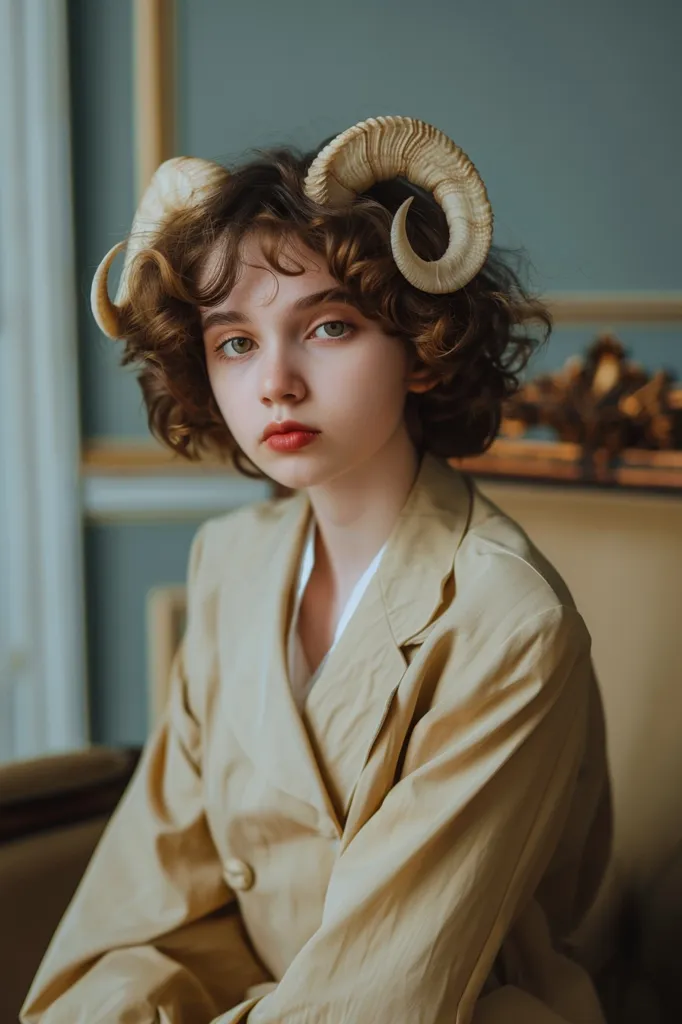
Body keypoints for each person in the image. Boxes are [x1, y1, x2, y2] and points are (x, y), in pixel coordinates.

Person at [21, 115, 612, 1024]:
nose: (276, 384)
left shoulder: (507, 618)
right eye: (235, 342)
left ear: (420, 344)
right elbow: (152, 895)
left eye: (329, 326)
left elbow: (388, 988)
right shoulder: (230, 560)